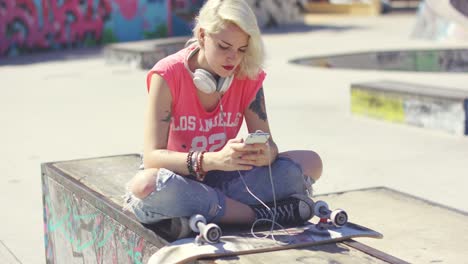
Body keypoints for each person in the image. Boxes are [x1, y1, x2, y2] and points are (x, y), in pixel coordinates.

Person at [124, 0, 323, 227]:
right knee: (146, 185)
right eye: (224, 46)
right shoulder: (167, 74)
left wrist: (263, 153)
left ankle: (198, 214)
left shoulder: (247, 73)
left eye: (241, 49)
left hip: (226, 178)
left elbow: (270, 145)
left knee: (311, 162)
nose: (233, 58)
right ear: (202, 36)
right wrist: (212, 160)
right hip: (177, 179)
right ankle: (257, 215)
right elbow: (152, 158)